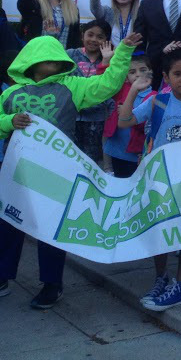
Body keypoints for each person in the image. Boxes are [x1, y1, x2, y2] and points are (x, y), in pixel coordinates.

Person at [0, 31, 137, 307]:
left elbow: (108, 85)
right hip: (17, 172)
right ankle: (2, 275)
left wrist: (123, 52)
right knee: (8, 223)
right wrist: (9, 121)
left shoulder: (73, 86)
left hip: (56, 173)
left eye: (57, 57)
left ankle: (52, 284)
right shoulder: (11, 92)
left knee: (51, 227)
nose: (54, 61)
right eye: (47, 57)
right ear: (32, 60)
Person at [117, 45, 181, 311]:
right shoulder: (158, 102)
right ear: (166, 76)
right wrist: (134, 91)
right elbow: (124, 121)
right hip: (159, 179)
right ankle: (161, 277)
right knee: (159, 229)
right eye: (177, 74)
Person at [66, 19, 116, 163]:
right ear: (82, 36)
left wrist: (106, 61)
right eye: (90, 35)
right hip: (70, 116)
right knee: (68, 156)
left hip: (97, 118)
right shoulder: (70, 54)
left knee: (90, 160)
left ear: (107, 40)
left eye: (100, 37)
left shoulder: (111, 60)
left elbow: (107, 85)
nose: (94, 39)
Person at [103, 52, 154, 178]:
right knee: (119, 180)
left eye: (143, 70)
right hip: (116, 149)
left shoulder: (153, 97)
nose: (138, 74)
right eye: (132, 72)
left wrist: (128, 114)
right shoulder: (121, 90)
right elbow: (105, 82)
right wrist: (106, 61)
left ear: (151, 73)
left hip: (135, 154)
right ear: (126, 77)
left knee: (134, 183)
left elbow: (147, 127)